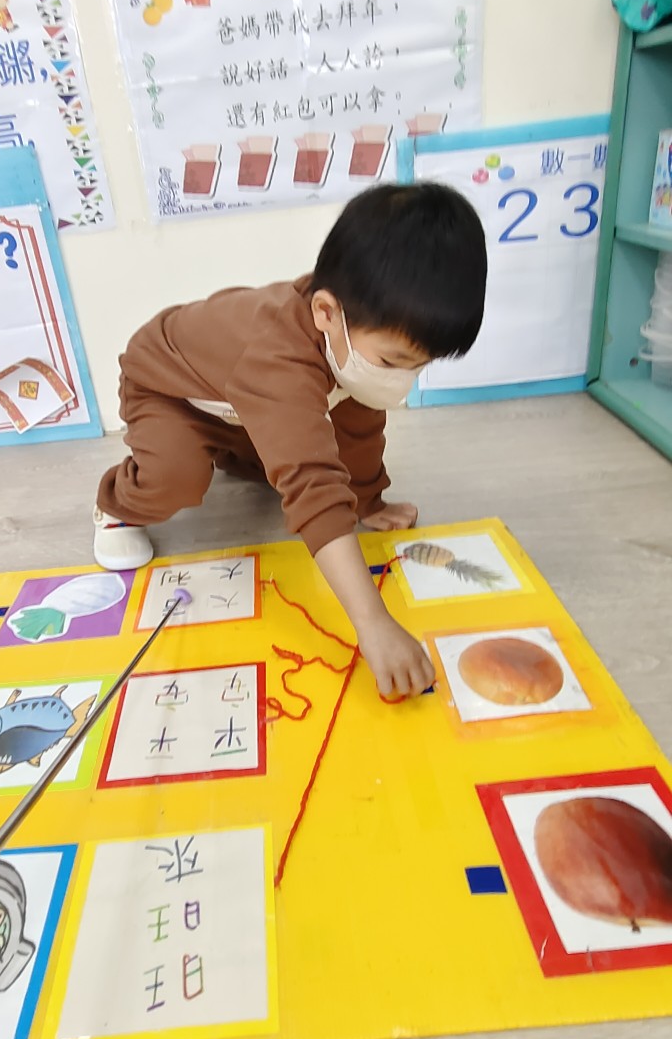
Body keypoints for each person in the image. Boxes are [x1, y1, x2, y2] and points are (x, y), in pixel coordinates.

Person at [94, 183, 487, 700]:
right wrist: (373, 624)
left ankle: (236, 448)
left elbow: (357, 432)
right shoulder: (279, 358)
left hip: (241, 401)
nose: (401, 379)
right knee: (177, 478)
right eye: (393, 362)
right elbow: (312, 486)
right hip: (172, 390)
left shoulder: (345, 335)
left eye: (420, 366)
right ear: (325, 313)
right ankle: (115, 505)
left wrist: (368, 499)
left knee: (320, 428)